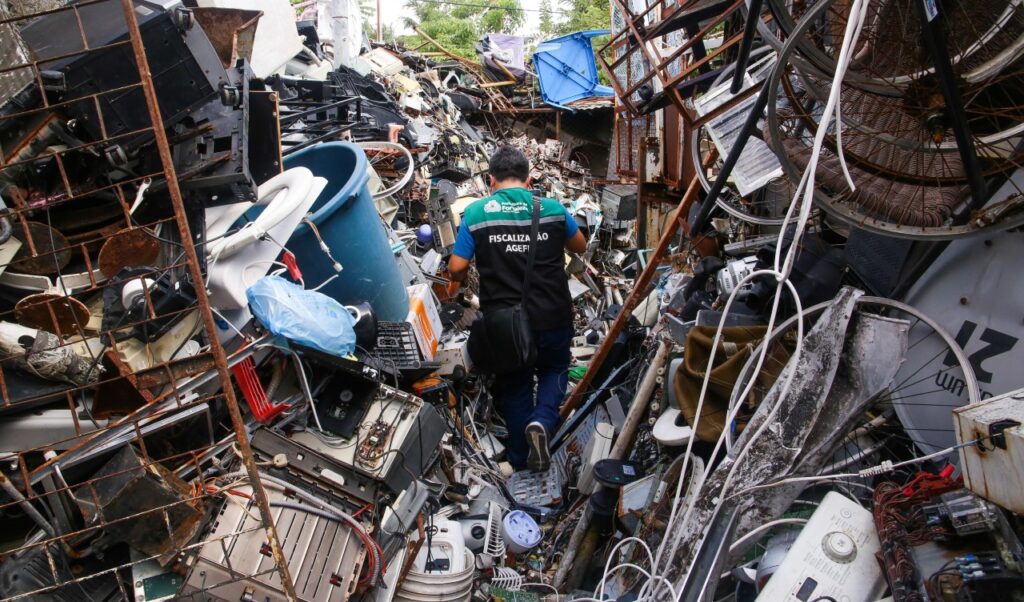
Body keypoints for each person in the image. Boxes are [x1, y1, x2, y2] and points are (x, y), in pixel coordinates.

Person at [447, 146, 587, 472]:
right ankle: (543, 420)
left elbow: (456, 267)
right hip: (553, 312)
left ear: (491, 179)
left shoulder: (477, 214)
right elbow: (579, 245)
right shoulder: (551, 208)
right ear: (529, 177)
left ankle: (522, 461)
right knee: (554, 370)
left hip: (505, 323)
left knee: (516, 385)